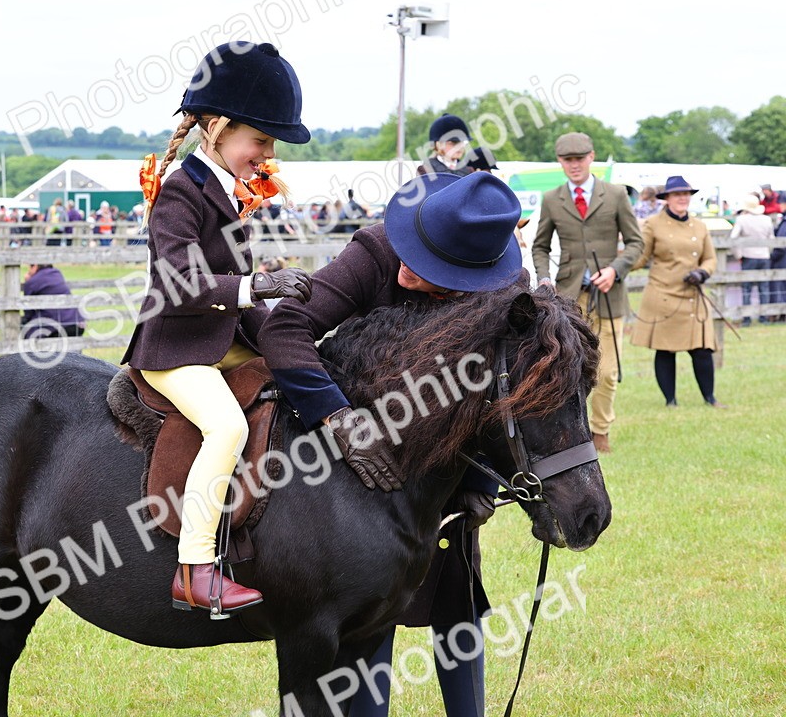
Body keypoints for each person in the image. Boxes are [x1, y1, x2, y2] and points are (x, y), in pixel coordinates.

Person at [260, 171, 522, 717]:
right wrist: (339, 419)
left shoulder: (500, 287)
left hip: (447, 468)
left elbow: (498, 394)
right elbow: (284, 329)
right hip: (364, 468)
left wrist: (479, 481)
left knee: (456, 597)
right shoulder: (374, 252)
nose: (406, 266)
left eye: (429, 268)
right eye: (412, 250)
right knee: (368, 606)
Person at [121, 41, 314, 617]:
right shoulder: (181, 192)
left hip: (219, 342)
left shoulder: (230, 194)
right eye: (262, 141)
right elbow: (181, 281)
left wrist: (291, 330)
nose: (268, 155)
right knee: (226, 427)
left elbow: (241, 298)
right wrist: (260, 285)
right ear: (218, 129)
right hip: (174, 349)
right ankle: (195, 569)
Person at [531, 132, 643, 454]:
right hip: (568, 299)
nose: (574, 165)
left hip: (608, 296)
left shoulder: (616, 194)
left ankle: (600, 431)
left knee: (606, 371)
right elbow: (540, 246)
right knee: (566, 369)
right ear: (560, 162)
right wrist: (544, 278)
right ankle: (569, 435)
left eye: (579, 159)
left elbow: (636, 243)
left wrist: (615, 270)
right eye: (568, 160)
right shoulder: (552, 199)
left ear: (591, 157)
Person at [630, 177, 724, 407]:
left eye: (686, 194)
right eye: (677, 194)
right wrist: (616, 267)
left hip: (693, 295)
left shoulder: (699, 226)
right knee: (665, 350)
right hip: (663, 294)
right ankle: (670, 401)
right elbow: (640, 257)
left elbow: (710, 258)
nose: (682, 198)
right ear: (667, 198)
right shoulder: (653, 224)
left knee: (702, 349)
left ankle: (710, 398)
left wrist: (702, 272)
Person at [729, 195, 775, 326]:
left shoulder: (741, 219)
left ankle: (746, 318)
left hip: (748, 256)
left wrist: (738, 255)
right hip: (764, 257)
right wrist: (768, 252)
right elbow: (772, 239)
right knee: (764, 288)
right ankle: (764, 317)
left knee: (746, 288)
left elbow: (733, 239)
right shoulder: (767, 219)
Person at [21, 264, 85, 338]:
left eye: (29, 267)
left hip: (58, 326)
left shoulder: (32, 281)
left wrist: (28, 282)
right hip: (77, 322)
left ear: (35, 266)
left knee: (27, 331)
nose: (28, 270)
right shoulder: (57, 273)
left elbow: (28, 312)